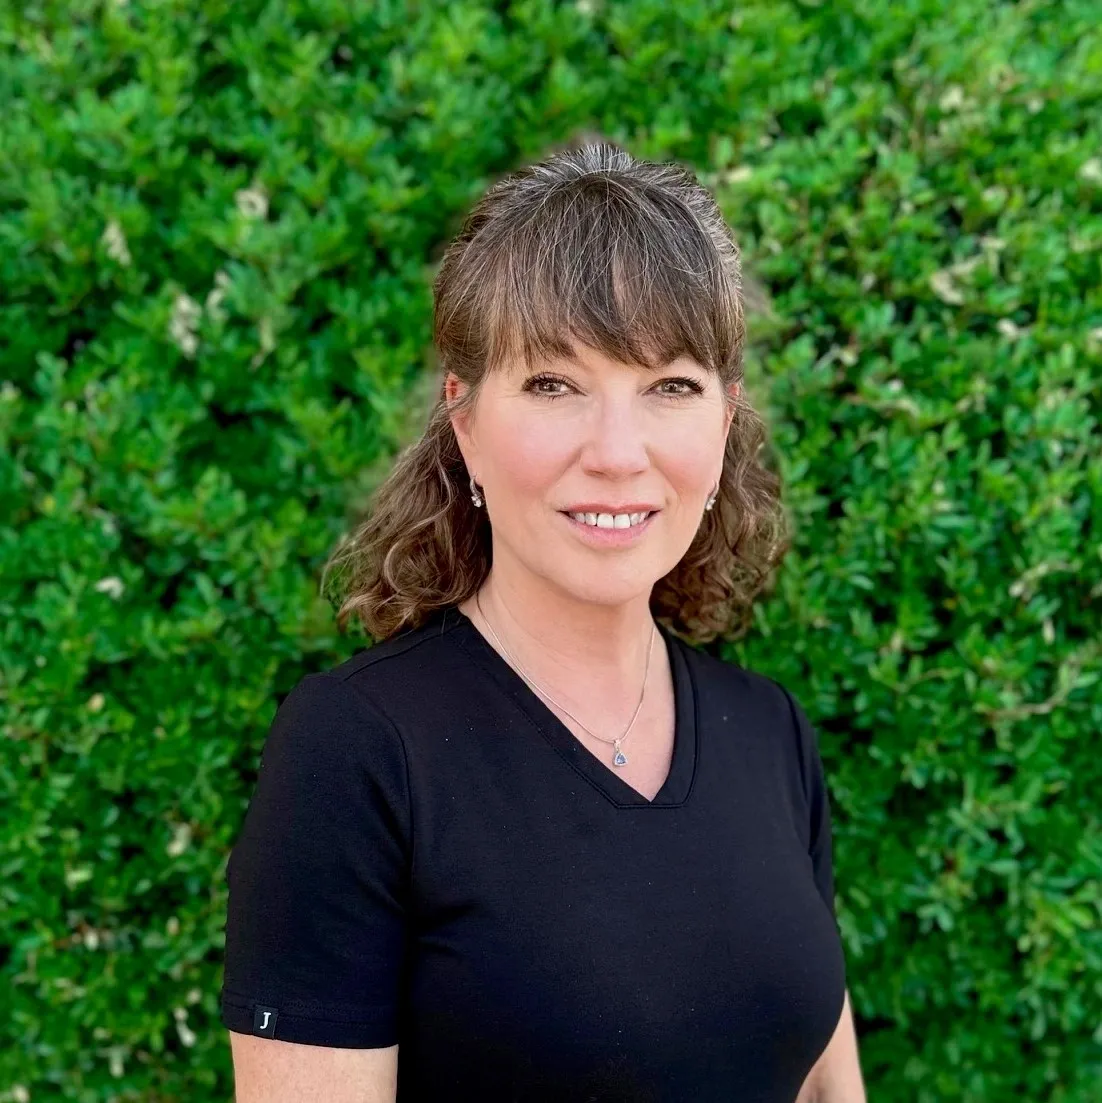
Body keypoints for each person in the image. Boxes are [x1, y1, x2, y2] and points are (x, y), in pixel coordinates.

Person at [220, 140, 865, 1102]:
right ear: (466, 422)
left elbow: (826, 1088)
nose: (617, 452)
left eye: (670, 386)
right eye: (555, 383)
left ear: (725, 421)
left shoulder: (769, 733)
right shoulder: (359, 752)